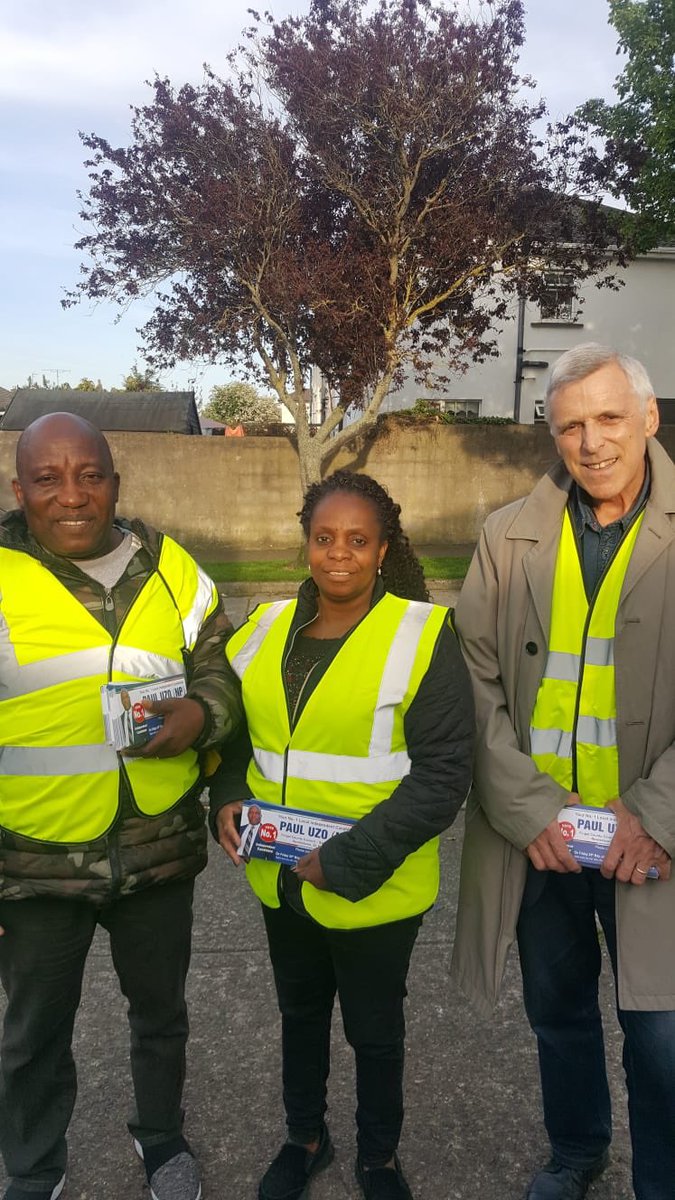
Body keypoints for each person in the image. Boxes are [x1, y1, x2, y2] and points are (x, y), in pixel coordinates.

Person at [210, 469, 474, 1200]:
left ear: (382, 549)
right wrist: (227, 798)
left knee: (373, 1031)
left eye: (357, 540)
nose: (338, 554)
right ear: (304, 544)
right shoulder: (262, 629)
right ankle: (304, 1136)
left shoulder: (422, 633)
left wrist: (347, 859)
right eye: (324, 538)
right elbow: (234, 740)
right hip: (279, 877)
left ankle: (378, 1157)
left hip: (373, 884)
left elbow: (443, 774)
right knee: (299, 1017)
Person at [451, 344, 675, 1200]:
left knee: (659, 1035)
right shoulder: (505, 535)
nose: (590, 442)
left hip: (645, 842)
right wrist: (528, 809)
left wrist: (653, 814)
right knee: (558, 1015)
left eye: (609, 417)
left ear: (648, 419)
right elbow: (466, 681)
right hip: (540, 838)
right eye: (570, 424)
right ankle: (577, 1151)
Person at [0, 412, 242, 1200]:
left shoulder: (174, 571)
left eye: (89, 475)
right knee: (32, 1035)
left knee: (160, 1017)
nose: (72, 495)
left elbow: (223, 670)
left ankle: (163, 1143)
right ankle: (35, 1169)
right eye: (48, 478)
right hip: (32, 864)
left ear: (115, 481)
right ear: (19, 489)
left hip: (157, 854)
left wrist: (200, 716)